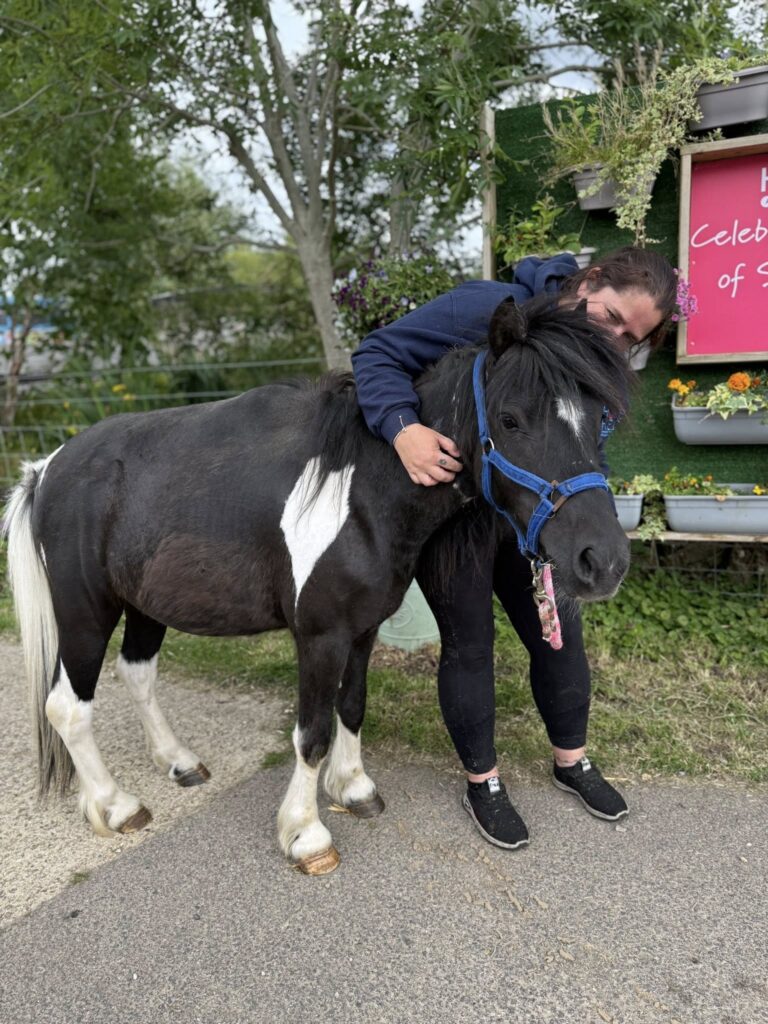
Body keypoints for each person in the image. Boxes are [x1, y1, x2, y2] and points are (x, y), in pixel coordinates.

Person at [351, 247, 677, 850]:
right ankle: (485, 783)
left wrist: (586, 513)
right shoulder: (483, 307)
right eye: (610, 316)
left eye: (631, 336)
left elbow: (580, 439)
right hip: (456, 515)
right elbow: (377, 354)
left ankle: (571, 760)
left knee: (558, 636)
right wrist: (404, 430)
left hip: (532, 516)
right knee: (471, 645)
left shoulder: (588, 352)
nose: (613, 337)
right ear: (590, 279)